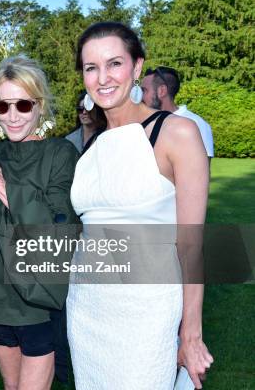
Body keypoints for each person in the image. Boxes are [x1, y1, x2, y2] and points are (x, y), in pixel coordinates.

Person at [67, 21, 213, 389]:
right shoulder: (91, 147)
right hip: (87, 307)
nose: (103, 78)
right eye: (91, 67)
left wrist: (191, 334)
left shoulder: (176, 133)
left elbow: (192, 243)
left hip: (147, 312)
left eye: (114, 64)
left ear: (136, 67)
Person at [0, 55, 79, 390]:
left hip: (37, 299)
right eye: (3, 106)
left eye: (23, 105)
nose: (13, 116)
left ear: (40, 106)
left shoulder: (60, 154)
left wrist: (0, 185)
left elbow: (58, 225)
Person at [141, 66, 214, 159]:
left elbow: (201, 171)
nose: (140, 97)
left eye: (144, 91)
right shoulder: (141, 122)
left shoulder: (197, 124)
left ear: (161, 91)